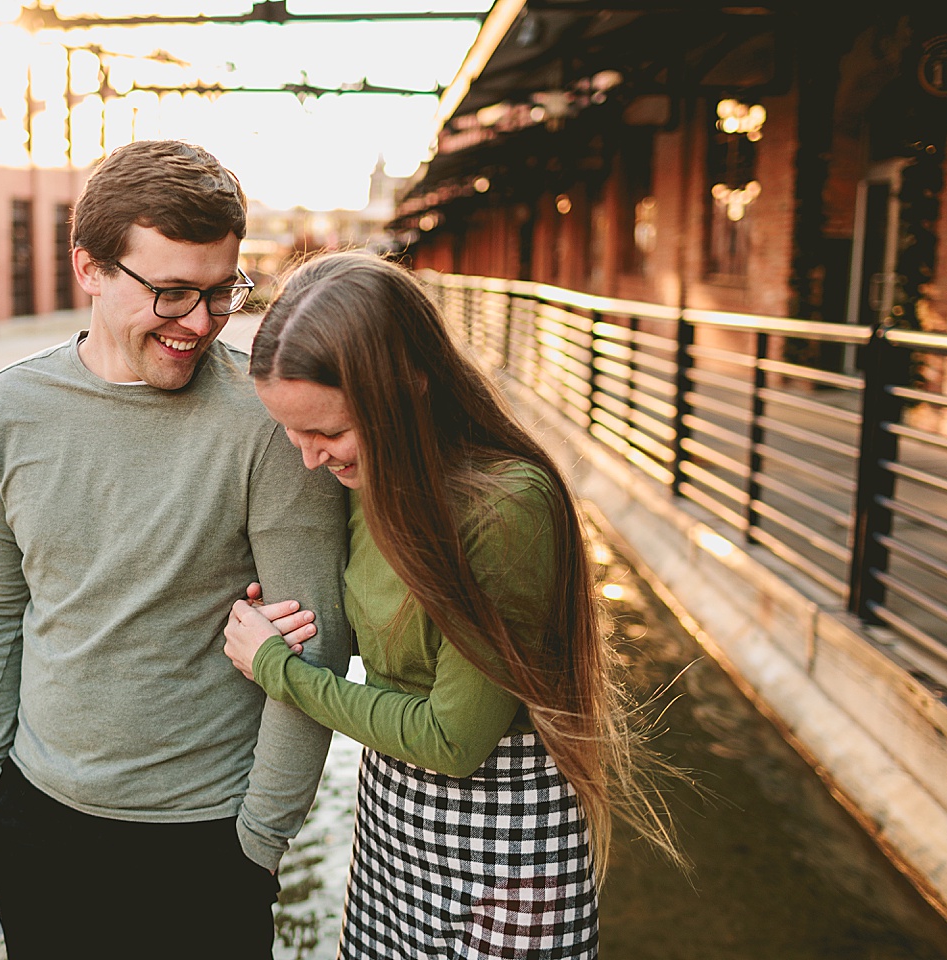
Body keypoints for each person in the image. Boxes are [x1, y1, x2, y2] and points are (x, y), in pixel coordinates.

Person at [223, 250, 684, 959]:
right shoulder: (363, 479)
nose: (309, 457)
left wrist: (280, 669)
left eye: (330, 433)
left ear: (409, 387)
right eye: (293, 431)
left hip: (506, 858)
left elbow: (453, 740)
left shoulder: (505, 508)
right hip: (391, 828)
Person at [0, 140, 350, 960]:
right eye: (171, 293)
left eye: (221, 293)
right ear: (90, 268)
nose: (200, 323)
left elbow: (318, 643)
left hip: (205, 842)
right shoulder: (11, 408)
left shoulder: (266, 424)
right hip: (34, 815)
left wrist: (259, 844)